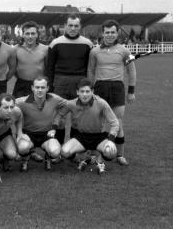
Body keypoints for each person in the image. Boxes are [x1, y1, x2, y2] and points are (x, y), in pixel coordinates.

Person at [87, 19, 136, 166]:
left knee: (118, 122)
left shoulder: (125, 51)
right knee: (98, 124)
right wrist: (90, 90)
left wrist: (131, 91)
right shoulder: (94, 51)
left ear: (117, 33)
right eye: (107, 32)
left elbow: (132, 71)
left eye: (112, 32)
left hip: (117, 88)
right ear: (103, 33)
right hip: (100, 87)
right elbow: (90, 70)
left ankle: (120, 155)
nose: (109, 35)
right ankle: (95, 154)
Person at [46, 13, 93, 146]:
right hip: (60, 82)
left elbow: (90, 67)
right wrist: (50, 86)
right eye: (70, 25)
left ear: (80, 26)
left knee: (77, 117)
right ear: (65, 26)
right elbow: (49, 67)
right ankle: (58, 149)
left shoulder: (87, 44)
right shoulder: (55, 43)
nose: (73, 28)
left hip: (80, 82)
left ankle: (73, 151)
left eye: (76, 26)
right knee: (59, 117)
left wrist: (88, 86)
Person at [58, 78, 119, 175]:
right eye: (82, 91)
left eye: (87, 91)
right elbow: (59, 114)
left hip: (99, 136)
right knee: (65, 152)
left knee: (111, 152)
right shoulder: (71, 104)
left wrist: (111, 140)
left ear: (92, 92)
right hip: (81, 136)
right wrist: (54, 127)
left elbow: (115, 123)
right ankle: (84, 159)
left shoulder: (101, 103)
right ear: (77, 92)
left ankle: (99, 160)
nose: (85, 94)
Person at [12, 21, 49, 163]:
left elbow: (47, 69)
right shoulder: (15, 49)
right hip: (21, 85)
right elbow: (13, 69)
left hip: (38, 87)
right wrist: (23, 78)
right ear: (23, 34)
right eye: (27, 33)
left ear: (37, 34)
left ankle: (32, 149)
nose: (30, 36)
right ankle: (21, 147)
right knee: (18, 116)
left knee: (35, 117)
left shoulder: (45, 49)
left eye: (33, 33)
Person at [15, 76, 68, 172]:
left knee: (55, 151)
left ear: (47, 88)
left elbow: (68, 105)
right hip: (29, 134)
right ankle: (26, 158)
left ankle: (47, 158)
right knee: (22, 148)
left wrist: (56, 122)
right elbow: (5, 103)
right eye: (37, 87)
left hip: (47, 134)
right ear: (32, 88)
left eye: (43, 87)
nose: (40, 90)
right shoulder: (22, 101)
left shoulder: (54, 99)